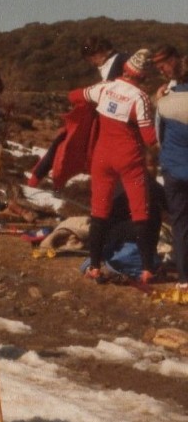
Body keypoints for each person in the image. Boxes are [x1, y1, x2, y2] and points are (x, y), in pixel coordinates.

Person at [73, 49, 159, 284]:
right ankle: (147, 268)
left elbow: (76, 96)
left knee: (99, 211)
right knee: (141, 211)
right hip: (129, 159)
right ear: (143, 76)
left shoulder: (105, 87)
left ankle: (94, 266)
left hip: (102, 157)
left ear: (125, 69)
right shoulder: (140, 98)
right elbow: (150, 139)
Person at [29, 38, 128, 188]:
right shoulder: (113, 62)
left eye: (92, 59)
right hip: (104, 117)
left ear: (98, 53)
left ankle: (37, 179)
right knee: (65, 141)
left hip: (115, 121)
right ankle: (36, 178)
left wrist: (82, 94)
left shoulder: (121, 60)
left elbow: (109, 89)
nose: (93, 64)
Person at [155, 73, 188, 291]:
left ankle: (184, 279)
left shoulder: (164, 103)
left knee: (180, 223)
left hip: (174, 171)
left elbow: (158, 137)